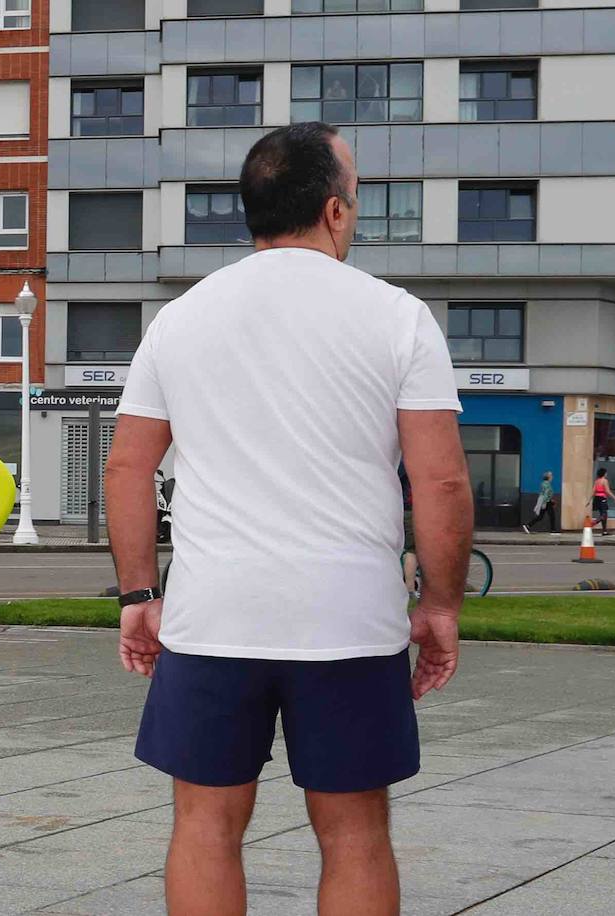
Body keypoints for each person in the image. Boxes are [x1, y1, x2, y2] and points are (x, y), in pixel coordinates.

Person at [105, 122, 473, 916]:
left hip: (212, 619)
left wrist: (138, 595)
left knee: (204, 825)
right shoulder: (398, 317)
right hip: (349, 624)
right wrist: (440, 606)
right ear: (335, 212)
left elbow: (128, 467)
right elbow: (439, 480)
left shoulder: (181, 318)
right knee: (354, 834)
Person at [590, 467, 615, 536]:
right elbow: (607, 491)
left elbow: (593, 491)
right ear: (604, 473)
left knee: (604, 514)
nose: (606, 474)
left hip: (597, 498)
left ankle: (604, 531)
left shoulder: (597, 481)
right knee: (604, 514)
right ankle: (594, 522)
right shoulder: (604, 481)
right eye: (606, 473)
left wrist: (589, 500)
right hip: (602, 498)